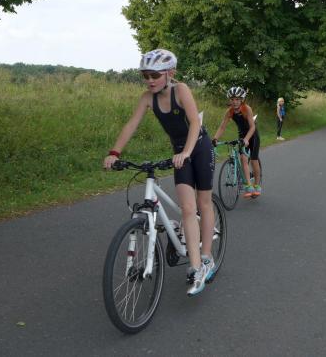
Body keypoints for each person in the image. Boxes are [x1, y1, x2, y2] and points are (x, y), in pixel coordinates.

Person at [103, 49, 217, 297]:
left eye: (155, 75)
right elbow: (131, 124)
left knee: (203, 202)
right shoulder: (147, 98)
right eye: (145, 75)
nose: (150, 80)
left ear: (170, 73)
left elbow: (194, 123)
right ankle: (195, 267)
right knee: (187, 208)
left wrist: (187, 152)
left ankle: (207, 256)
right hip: (180, 152)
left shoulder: (181, 90)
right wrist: (114, 152)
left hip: (199, 147)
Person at [212, 87, 262, 198]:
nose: (234, 102)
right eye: (232, 99)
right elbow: (222, 127)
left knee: (253, 160)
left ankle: (257, 184)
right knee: (243, 158)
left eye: (237, 99)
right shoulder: (229, 111)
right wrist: (215, 139)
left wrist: (247, 139)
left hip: (252, 135)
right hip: (242, 135)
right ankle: (248, 186)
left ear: (242, 100)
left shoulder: (247, 109)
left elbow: (252, 127)